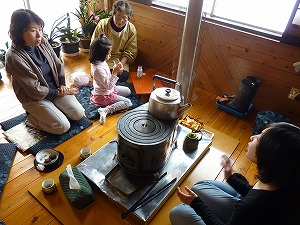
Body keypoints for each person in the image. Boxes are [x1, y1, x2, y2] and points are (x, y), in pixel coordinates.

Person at [170, 122, 300, 225]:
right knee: (199, 187)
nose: (252, 137)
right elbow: (252, 193)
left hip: (248, 215)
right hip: (251, 217)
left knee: (177, 212)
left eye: (259, 139)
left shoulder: (251, 205)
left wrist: (196, 203)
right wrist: (230, 177)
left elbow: (252, 203)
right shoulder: (280, 181)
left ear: (270, 156)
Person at [5, 9, 85, 135]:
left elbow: (58, 63)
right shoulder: (14, 57)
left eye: (40, 29)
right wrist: (62, 92)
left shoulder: (41, 41)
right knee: (62, 126)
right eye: (33, 30)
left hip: (53, 89)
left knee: (78, 114)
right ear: (19, 32)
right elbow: (34, 90)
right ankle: (32, 119)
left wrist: (63, 85)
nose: (39, 35)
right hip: (34, 98)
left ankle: (53, 110)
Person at [89, 34, 132, 124]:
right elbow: (108, 86)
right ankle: (105, 110)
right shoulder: (98, 69)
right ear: (100, 54)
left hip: (108, 89)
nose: (110, 55)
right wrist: (115, 73)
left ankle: (109, 105)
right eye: (108, 53)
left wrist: (116, 71)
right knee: (128, 103)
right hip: (104, 95)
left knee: (128, 91)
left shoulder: (100, 61)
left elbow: (108, 79)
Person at [91, 0, 137, 82]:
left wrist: (120, 64)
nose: (121, 20)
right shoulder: (103, 25)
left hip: (119, 59)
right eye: (118, 17)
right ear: (113, 14)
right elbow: (95, 45)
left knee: (123, 76)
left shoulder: (131, 29)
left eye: (124, 18)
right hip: (102, 58)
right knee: (100, 74)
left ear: (128, 18)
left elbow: (130, 51)